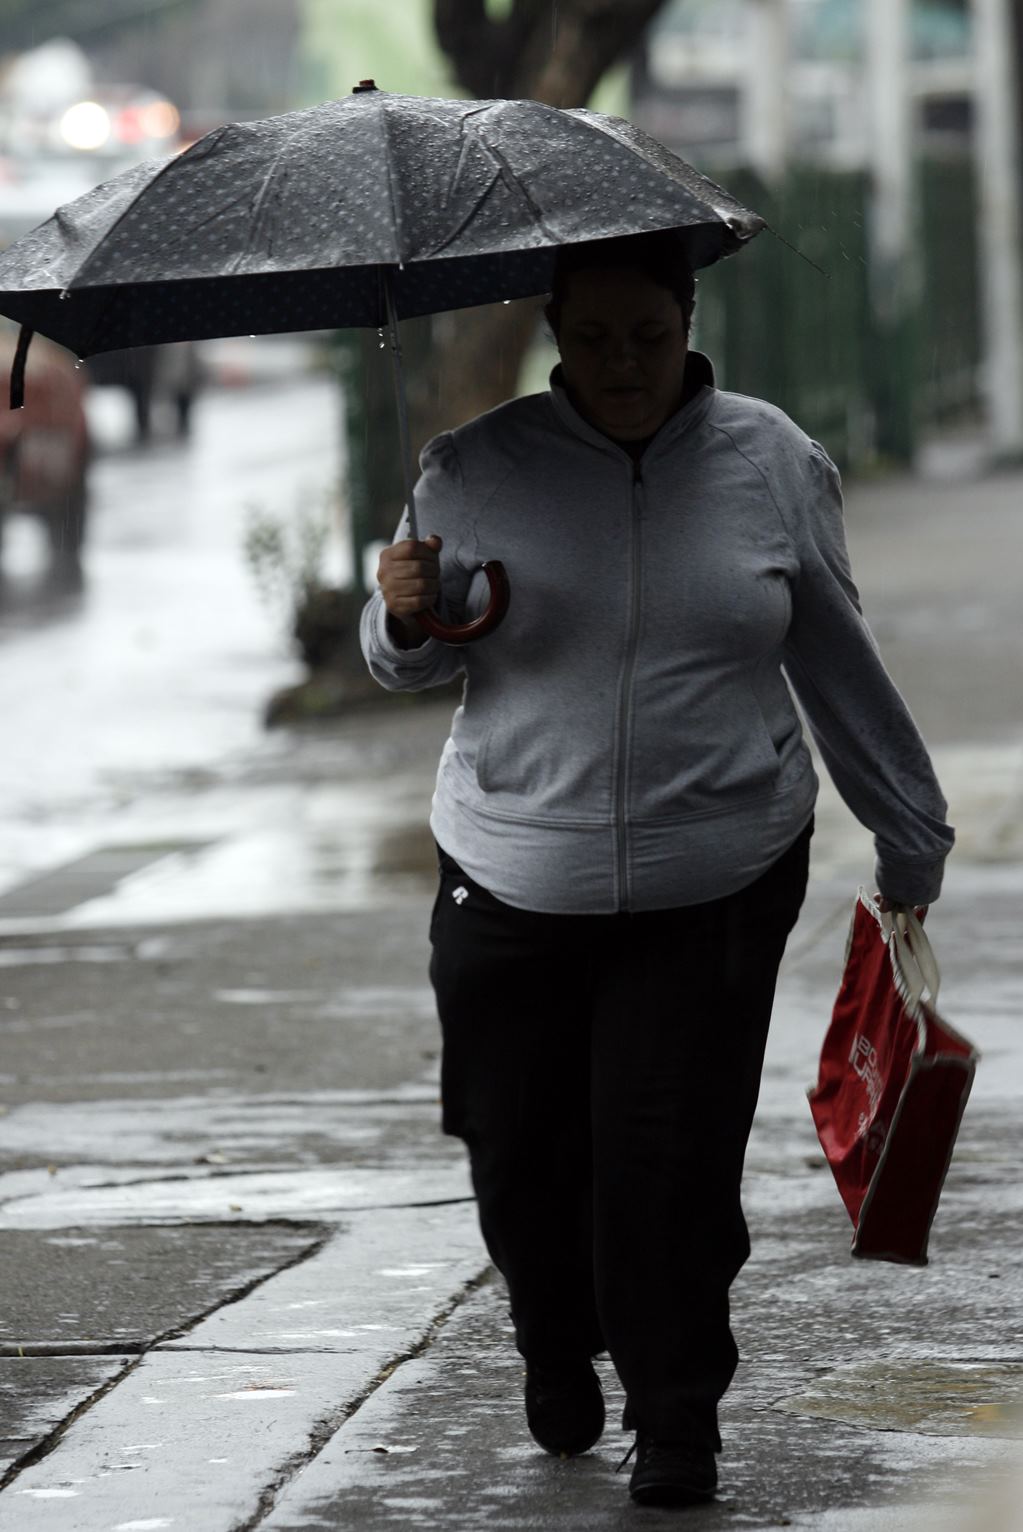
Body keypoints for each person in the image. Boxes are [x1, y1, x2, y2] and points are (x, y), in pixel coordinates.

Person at [359, 231, 953, 1509]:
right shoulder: (477, 464)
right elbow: (413, 661)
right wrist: (400, 609)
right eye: (594, 337)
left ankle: (678, 1411)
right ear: (555, 334)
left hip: (718, 868)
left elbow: (835, 653)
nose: (622, 362)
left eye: (648, 334)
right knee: (521, 1156)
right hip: (510, 866)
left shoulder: (771, 461)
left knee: (667, 1156)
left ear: (688, 320)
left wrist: (911, 830)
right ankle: (552, 1333)